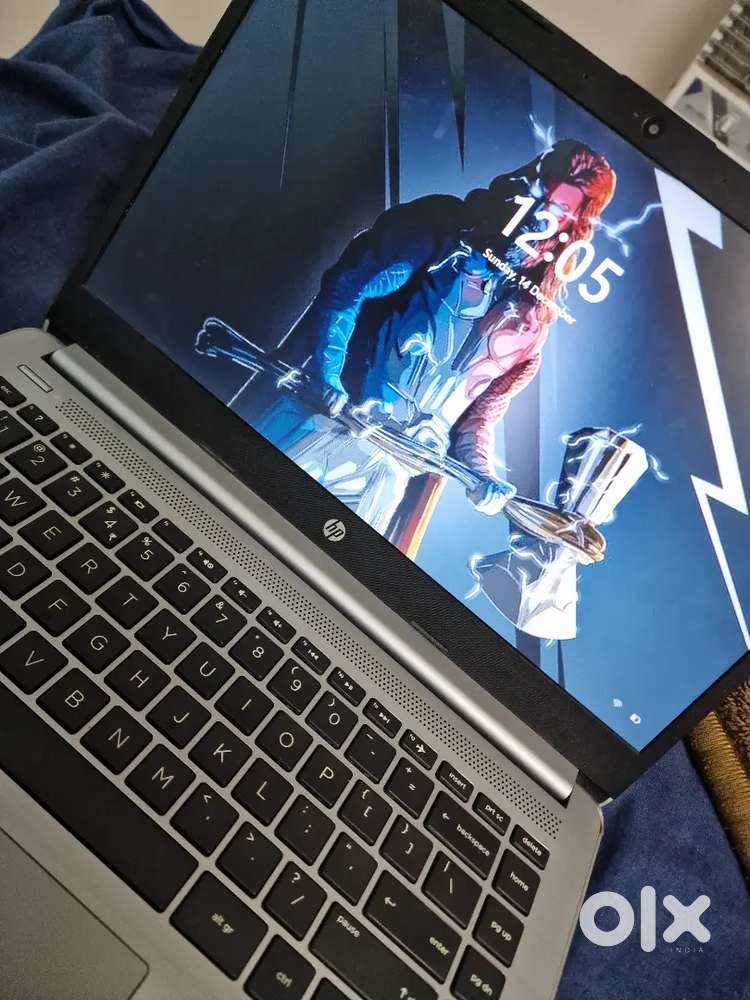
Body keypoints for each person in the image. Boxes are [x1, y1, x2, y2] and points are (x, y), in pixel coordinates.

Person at [256, 139, 617, 551]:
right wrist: (328, 376)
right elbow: (348, 291)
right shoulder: (442, 228)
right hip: (321, 422)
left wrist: (482, 475)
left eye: (554, 213)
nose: (535, 218)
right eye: (535, 195)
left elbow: (475, 421)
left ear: (572, 230)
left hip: (388, 473)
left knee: (325, 573)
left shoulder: (530, 326)